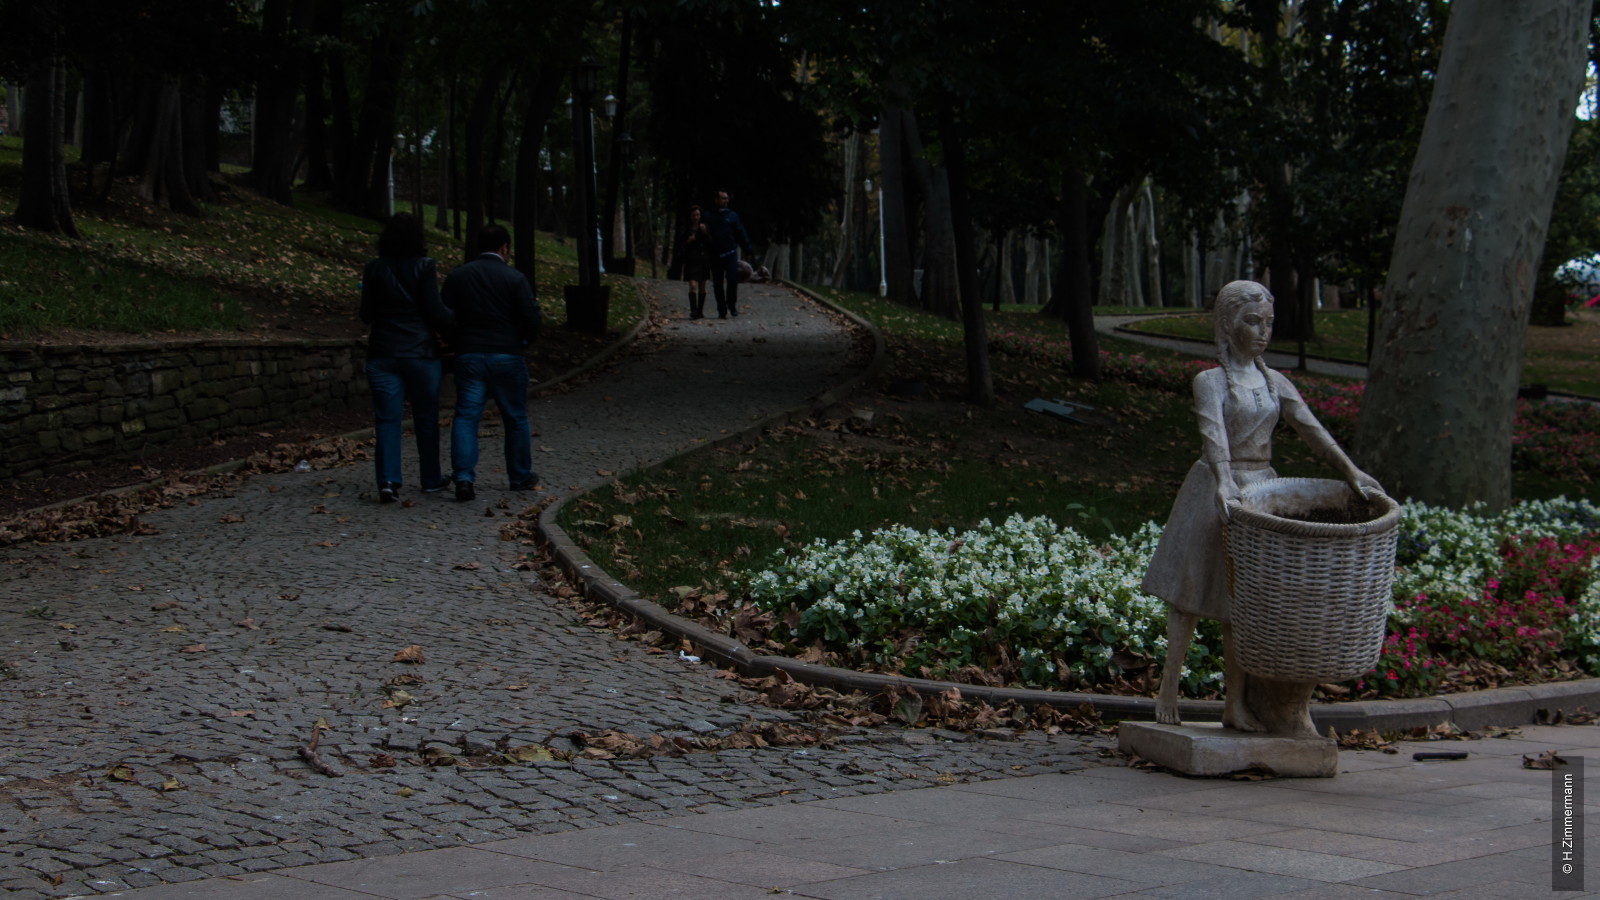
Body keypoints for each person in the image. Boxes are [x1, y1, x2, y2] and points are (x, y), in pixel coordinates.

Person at [1142, 280, 1381, 731]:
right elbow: (1213, 435)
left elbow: (1312, 429)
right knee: (1189, 594)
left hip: (1261, 490)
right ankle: (1168, 689)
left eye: (1268, 323)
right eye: (1253, 322)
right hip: (1216, 487)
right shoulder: (1210, 381)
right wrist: (1225, 480)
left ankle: (1235, 703)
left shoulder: (1276, 382)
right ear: (1228, 325)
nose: (1263, 331)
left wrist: (1350, 471)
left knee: (1240, 604)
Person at [441, 224, 541, 502]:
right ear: (504, 248)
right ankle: (519, 475)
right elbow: (532, 319)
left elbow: (444, 316)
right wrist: (521, 342)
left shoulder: (458, 277)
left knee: (466, 416)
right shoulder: (515, 278)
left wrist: (457, 341)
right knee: (515, 417)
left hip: (470, 354)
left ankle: (463, 477)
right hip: (507, 354)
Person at [360, 212, 453, 504]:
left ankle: (387, 480)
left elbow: (366, 314)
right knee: (426, 417)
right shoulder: (425, 266)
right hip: (421, 353)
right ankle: (430, 478)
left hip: (383, 352)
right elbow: (435, 311)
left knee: (387, 419)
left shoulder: (373, 269)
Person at [705, 189, 752, 318]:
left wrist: (747, 249)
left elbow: (740, 232)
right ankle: (722, 308)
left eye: (726, 198)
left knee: (732, 280)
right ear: (716, 200)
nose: (725, 201)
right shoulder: (708, 216)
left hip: (731, 253)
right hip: (716, 255)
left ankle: (731, 304)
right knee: (718, 283)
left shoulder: (732, 216)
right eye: (722, 198)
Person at [676, 205, 712, 319]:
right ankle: (693, 310)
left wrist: (705, 233)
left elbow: (710, 243)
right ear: (690, 216)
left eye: (698, 215)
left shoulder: (704, 228)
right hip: (691, 260)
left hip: (703, 260)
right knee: (692, 285)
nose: (696, 217)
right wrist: (688, 241)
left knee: (702, 286)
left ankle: (700, 310)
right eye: (693, 215)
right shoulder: (686, 229)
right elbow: (680, 245)